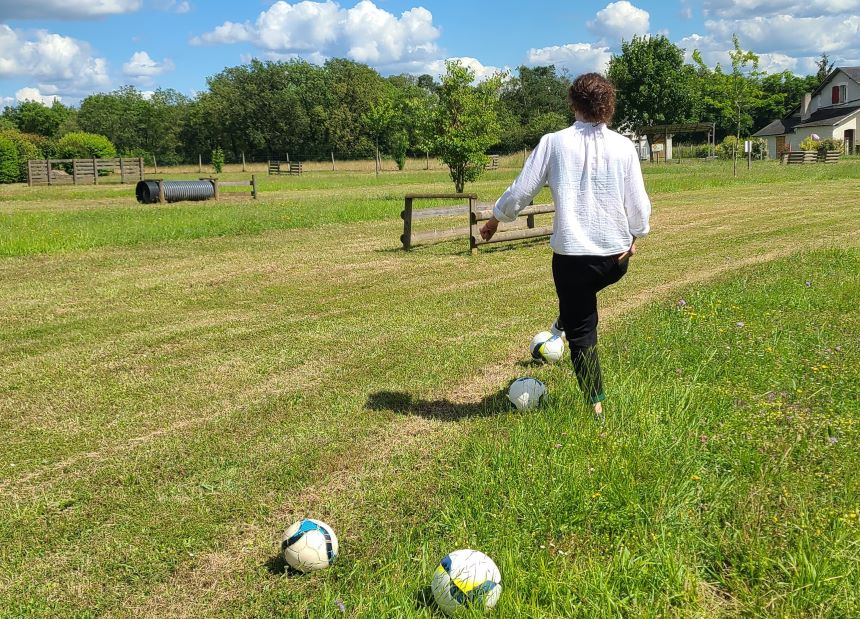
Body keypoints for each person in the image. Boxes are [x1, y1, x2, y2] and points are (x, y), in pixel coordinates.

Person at [480, 72, 651, 421]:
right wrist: (636, 237)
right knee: (582, 300)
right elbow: (639, 205)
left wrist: (497, 218)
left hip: (572, 260)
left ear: (573, 104)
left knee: (583, 333)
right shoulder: (624, 146)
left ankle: (597, 409)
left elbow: (521, 191)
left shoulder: (554, 143)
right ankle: (565, 320)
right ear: (608, 106)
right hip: (614, 260)